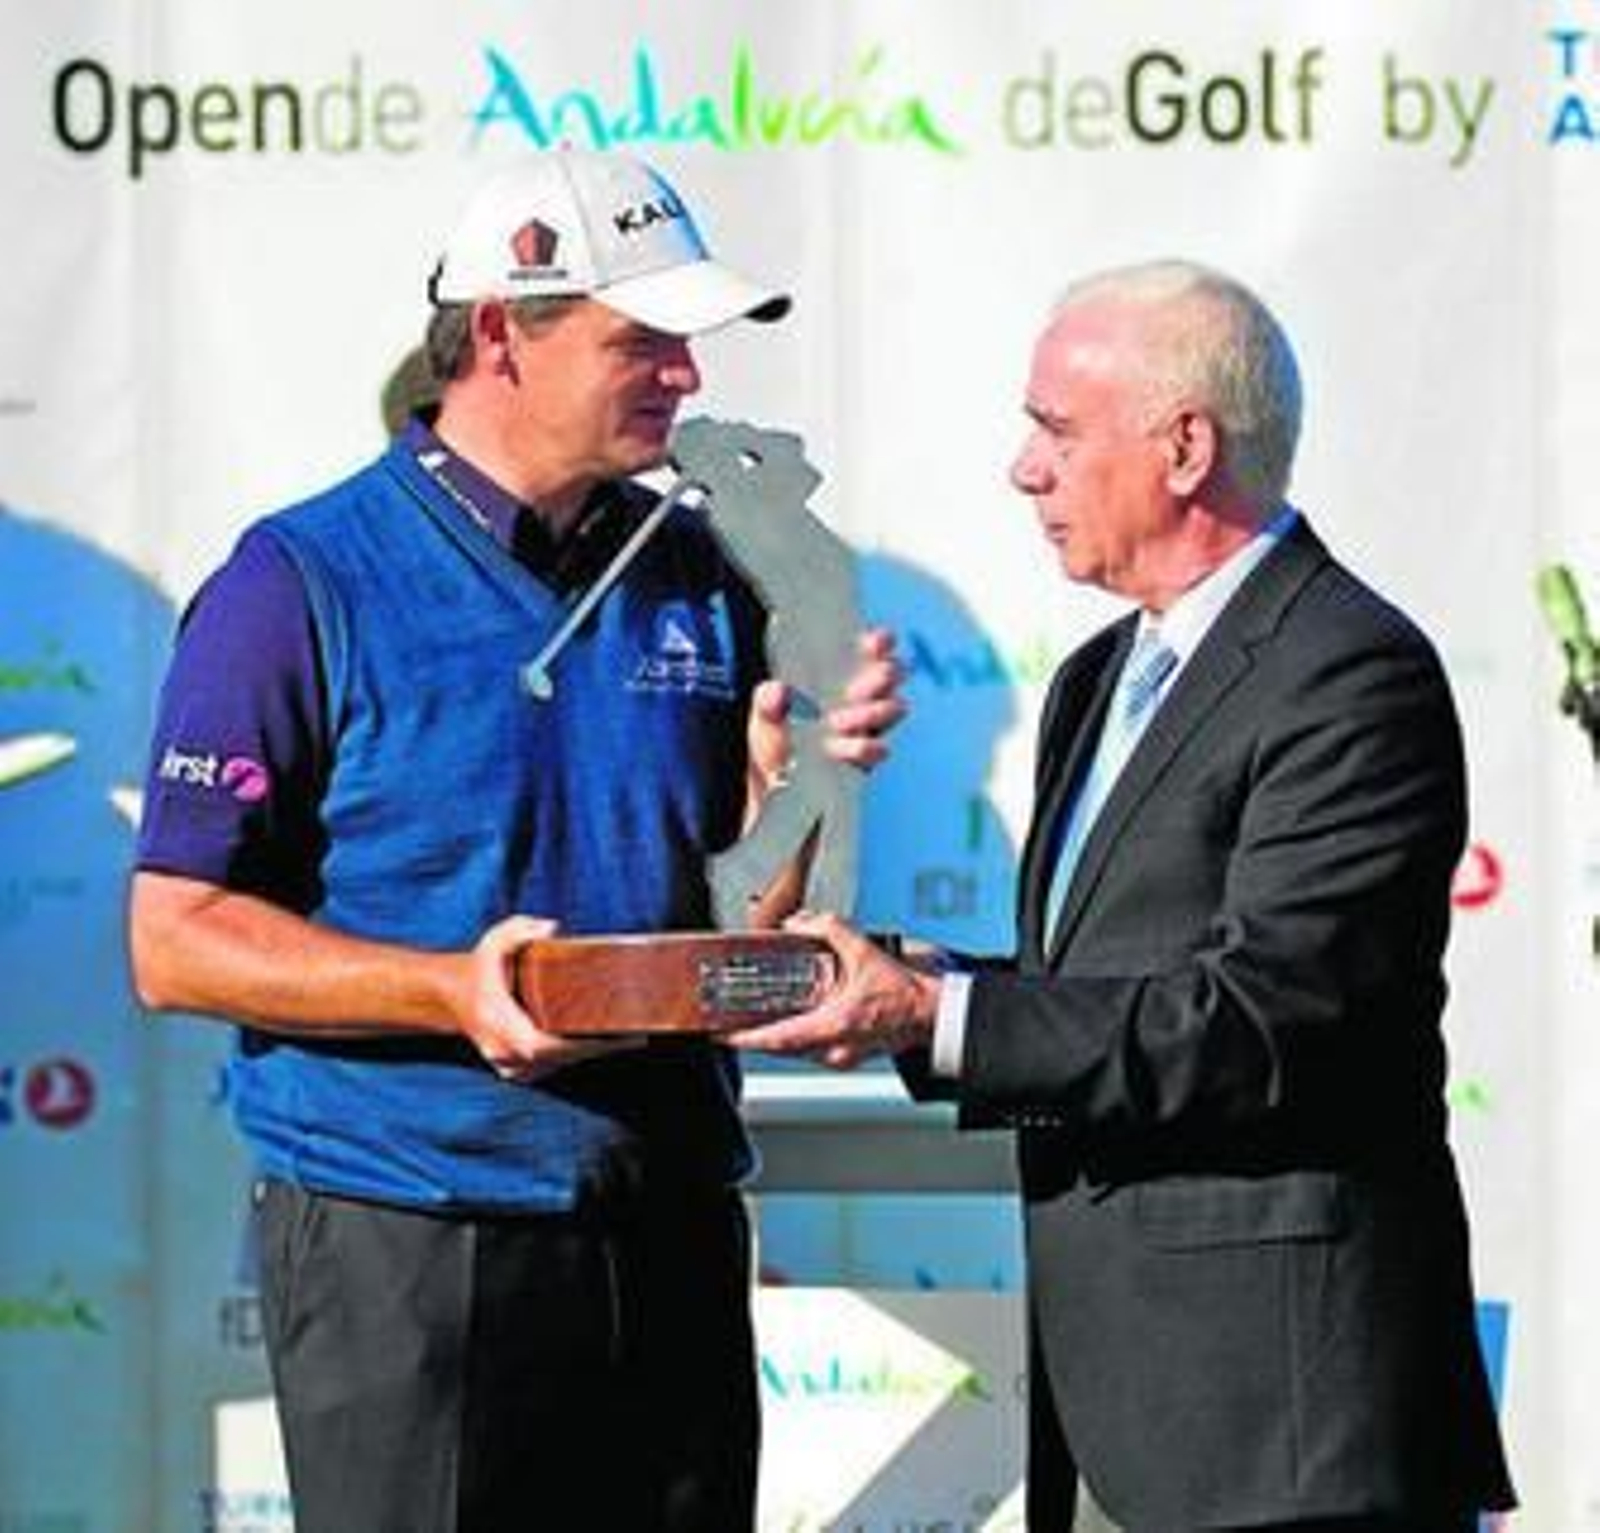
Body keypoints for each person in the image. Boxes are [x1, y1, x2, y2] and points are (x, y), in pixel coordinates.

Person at [128, 147, 903, 1533]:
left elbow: (742, 919)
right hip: (411, 1232)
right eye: (644, 339)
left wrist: (795, 792)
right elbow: (173, 938)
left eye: (689, 341)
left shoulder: (700, 570)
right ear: (502, 331)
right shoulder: (298, 579)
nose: (687, 374)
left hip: (662, 1219)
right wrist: (452, 989)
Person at [729, 260, 1516, 1533]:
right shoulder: (1101, 675)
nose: (1022, 469)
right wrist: (873, 971)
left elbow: (1266, 1019)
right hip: (1123, 1412)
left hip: (1283, 1430)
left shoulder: (1348, 671)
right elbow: (1109, 980)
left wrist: (929, 1014)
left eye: (1054, 428)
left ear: (1185, 446)